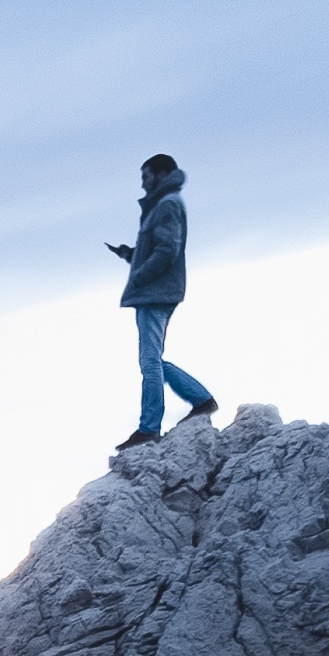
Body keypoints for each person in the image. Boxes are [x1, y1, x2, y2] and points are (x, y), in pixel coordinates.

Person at [106, 155, 217, 448]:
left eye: (146, 176)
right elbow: (157, 250)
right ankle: (201, 399)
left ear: (162, 173)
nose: (143, 182)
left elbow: (168, 250)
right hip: (154, 291)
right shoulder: (161, 205)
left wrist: (140, 276)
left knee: (149, 361)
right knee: (152, 359)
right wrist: (130, 255)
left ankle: (149, 428)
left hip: (155, 293)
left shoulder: (167, 204)